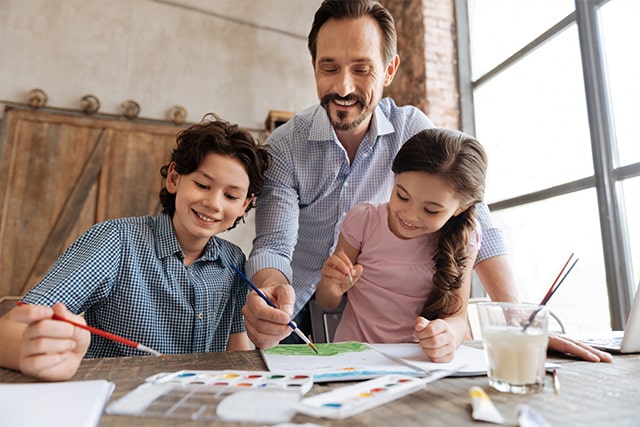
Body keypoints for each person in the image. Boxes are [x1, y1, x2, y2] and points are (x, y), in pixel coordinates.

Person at [243, 0, 611, 363]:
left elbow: (474, 218)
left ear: (389, 71)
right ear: (314, 66)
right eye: (329, 67)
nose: (342, 87)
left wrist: (518, 321)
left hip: (385, 309)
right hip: (298, 301)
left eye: (361, 69)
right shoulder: (285, 146)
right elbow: (274, 244)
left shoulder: (410, 129)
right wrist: (270, 287)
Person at [0, 114, 272, 381]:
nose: (214, 203)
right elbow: (17, 323)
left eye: (231, 196)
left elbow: (236, 351)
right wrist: (26, 347)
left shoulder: (234, 260)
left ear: (244, 205)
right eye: (202, 185)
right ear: (175, 178)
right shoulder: (116, 241)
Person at [317, 128, 486, 363]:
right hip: (353, 357)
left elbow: (457, 317)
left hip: (417, 362)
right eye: (402, 195)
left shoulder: (466, 239)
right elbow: (327, 300)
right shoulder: (363, 221)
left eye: (431, 210)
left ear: (461, 209)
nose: (409, 215)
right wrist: (331, 286)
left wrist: (448, 336)